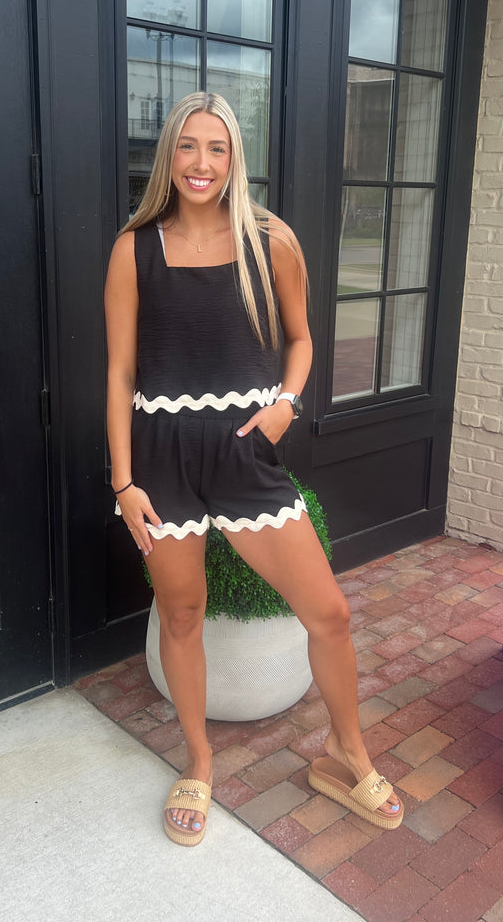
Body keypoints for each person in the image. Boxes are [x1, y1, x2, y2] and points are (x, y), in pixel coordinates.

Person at [104, 92, 403, 846]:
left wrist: (285, 405)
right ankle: (199, 762)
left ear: (235, 157)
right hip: (162, 460)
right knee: (181, 615)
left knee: (329, 614)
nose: (201, 163)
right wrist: (123, 482)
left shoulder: (271, 241)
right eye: (187, 146)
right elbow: (119, 372)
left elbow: (301, 340)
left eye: (217, 147)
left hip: (243, 453)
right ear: (168, 156)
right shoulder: (135, 248)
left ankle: (346, 754)